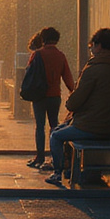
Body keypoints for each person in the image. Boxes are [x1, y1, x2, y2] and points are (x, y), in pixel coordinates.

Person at [45, 27, 110, 187]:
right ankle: (70, 171)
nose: (92, 49)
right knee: (64, 127)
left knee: (55, 135)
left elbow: (74, 102)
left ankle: (57, 173)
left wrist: (70, 100)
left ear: (99, 46)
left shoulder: (94, 69)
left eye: (92, 46)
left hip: (91, 126)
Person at [25, 26, 75, 169]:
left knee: (39, 126)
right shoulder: (61, 56)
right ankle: (55, 157)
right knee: (54, 126)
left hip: (39, 96)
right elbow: (68, 78)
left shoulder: (37, 54)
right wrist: (74, 92)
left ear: (43, 39)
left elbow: (29, 72)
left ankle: (39, 157)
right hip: (55, 96)